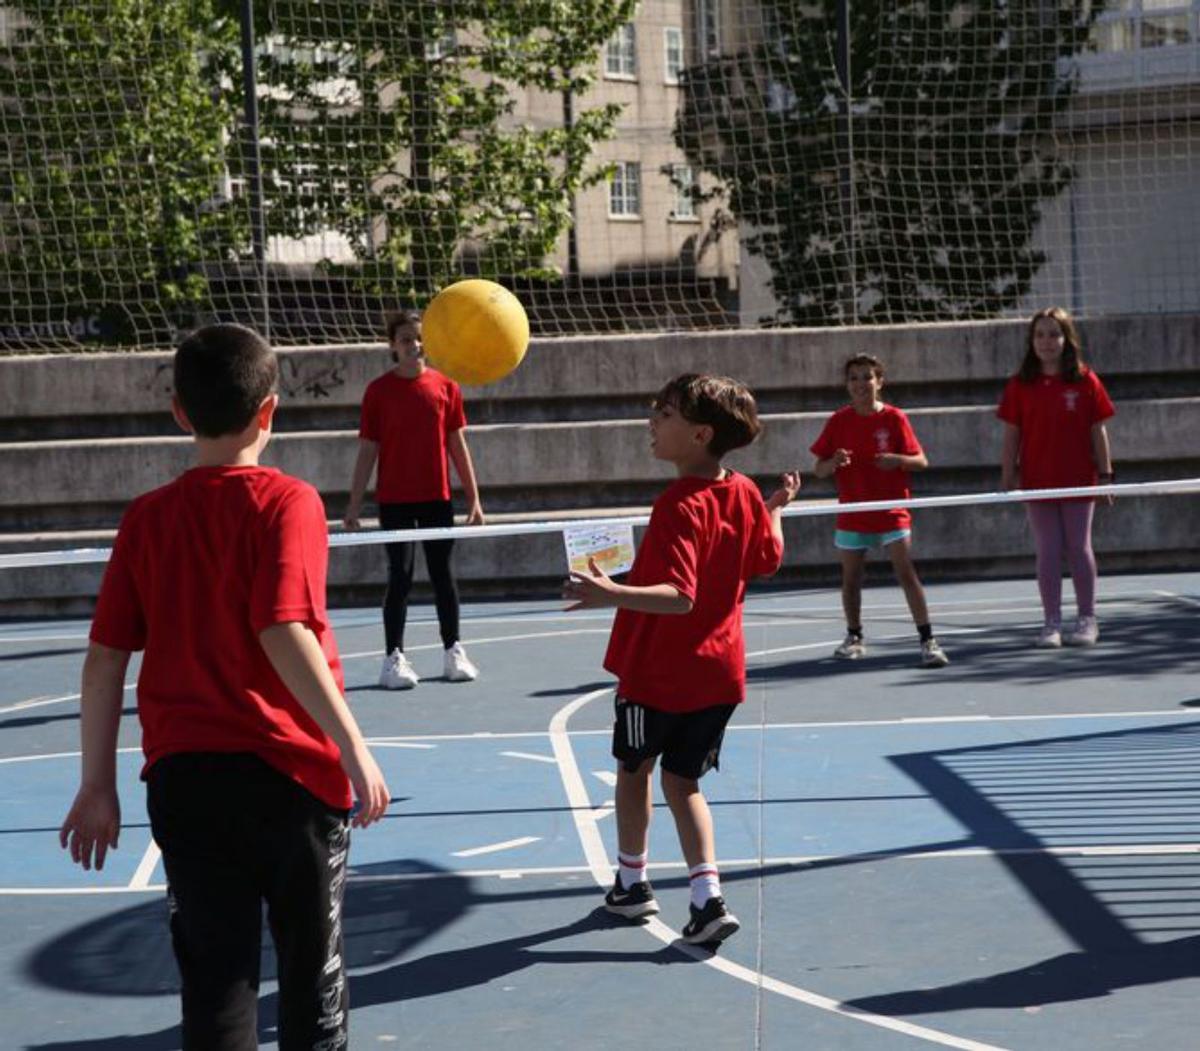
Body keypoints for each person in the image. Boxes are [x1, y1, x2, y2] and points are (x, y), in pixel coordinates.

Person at [59, 323, 391, 1050]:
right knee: (311, 974)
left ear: (179, 410)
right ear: (270, 411)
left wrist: (96, 784)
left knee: (216, 984)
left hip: (186, 780)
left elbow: (104, 659)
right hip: (291, 778)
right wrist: (353, 746)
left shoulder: (146, 517)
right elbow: (281, 629)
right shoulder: (288, 502)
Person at [564, 374, 800, 945]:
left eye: (664, 413)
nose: (652, 419)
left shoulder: (676, 504)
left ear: (698, 434)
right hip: (720, 674)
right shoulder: (742, 491)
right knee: (684, 782)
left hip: (658, 673)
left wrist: (609, 594)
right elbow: (768, 560)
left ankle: (632, 882)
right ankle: (706, 896)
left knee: (633, 770)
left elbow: (680, 596)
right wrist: (774, 508)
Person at [344, 309, 484, 689]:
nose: (415, 345)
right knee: (400, 578)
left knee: (444, 577)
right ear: (393, 345)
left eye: (420, 338)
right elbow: (368, 449)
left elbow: (457, 444)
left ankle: (453, 650)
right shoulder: (378, 392)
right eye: (406, 339)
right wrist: (354, 505)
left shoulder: (445, 387)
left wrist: (473, 498)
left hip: (436, 499)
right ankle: (393, 658)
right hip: (395, 501)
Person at [811, 353, 950, 668]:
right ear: (847, 385)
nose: (861, 384)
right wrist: (833, 463)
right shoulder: (838, 421)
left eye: (867, 377)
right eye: (854, 378)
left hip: (890, 511)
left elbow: (921, 461)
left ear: (879, 381)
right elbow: (818, 469)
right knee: (851, 577)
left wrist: (897, 460)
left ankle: (928, 640)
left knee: (905, 572)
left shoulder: (895, 418)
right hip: (853, 512)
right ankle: (854, 637)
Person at [999, 306, 1115, 648]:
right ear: (1031, 341)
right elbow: (1011, 435)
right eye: (1040, 335)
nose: (1047, 342)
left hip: (1079, 477)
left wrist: (1107, 476)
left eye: (1054, 334)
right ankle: (1051, 622)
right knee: (1047, 550)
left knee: (1078, 547)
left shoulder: (1085, 379)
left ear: (1067, 339)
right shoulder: (1021, 385)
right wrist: (1008, 476)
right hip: (1037, 479)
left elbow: (1099, 431)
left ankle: (1087, 618)